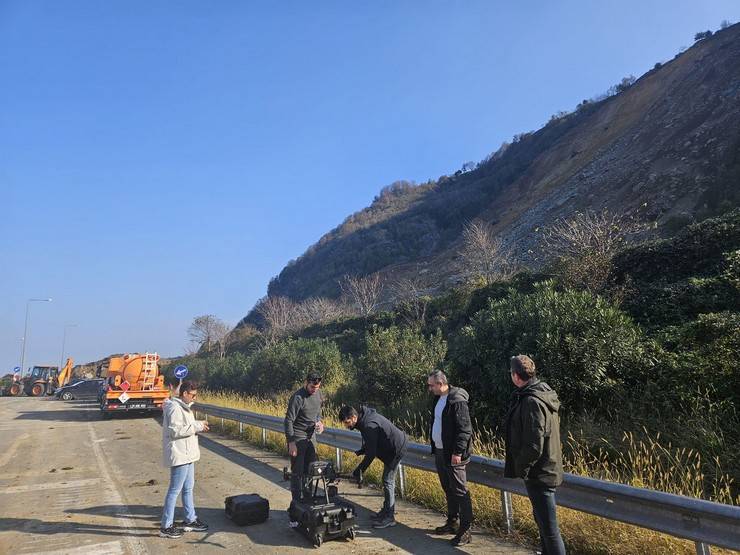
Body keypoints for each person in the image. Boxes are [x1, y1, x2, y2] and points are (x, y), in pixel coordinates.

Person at [504, 355, 566, 555]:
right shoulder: (543, 392)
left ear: (516, 375)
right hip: (546, 468)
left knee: (549, 530)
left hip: (540, 473)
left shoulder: (531, 400)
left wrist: (522, 468)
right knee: (543, 524)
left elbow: (533, 444)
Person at [339, 405, 408, 529]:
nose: (346, 426)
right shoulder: (364, 419)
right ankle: (386, 511)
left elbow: (371, 453)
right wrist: (362, 450)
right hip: (390, 447)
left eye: (347, 422)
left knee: (388, 481)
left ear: (354, 417)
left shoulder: (368, 424)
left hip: (396, 448)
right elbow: (372, 442)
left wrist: (359, 471)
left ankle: (389, 517)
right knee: (386, 480)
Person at [427, 369, 474, 546]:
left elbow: (465, 429)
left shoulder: (457, 400)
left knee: (461, 492)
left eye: (431, 385)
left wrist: (457, 452)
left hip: (454, 455)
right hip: (441, 452)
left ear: (440, 383)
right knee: (448, 488)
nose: (429, 388)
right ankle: (453, 522)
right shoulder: (438, 399)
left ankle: (466, 531)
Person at [160, 380, 210, 539]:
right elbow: (175, 431)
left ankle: (190, 519)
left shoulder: (183, 407)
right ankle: (166, 526)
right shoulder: (174, 407)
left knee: (188, 488)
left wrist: (198, 424)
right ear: (185, 393)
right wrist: (197, 427)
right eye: (193, 395)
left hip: (187, 453)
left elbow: (186, 425)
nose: (194, 397)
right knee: (174, 490)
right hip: (180, 454)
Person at [284, 372, 325, 524]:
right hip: (298, 437)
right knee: (297, 473)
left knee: (312, 471)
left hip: (311, 438)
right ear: (306, 383)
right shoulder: (298, 397)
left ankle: (307, 504)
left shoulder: (318, 394)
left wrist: (320, 423)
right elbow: (288, 420)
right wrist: (291, 442)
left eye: (317, 387)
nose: (315, 389)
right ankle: (295, 507)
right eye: (312, 387)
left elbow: (318, 414)